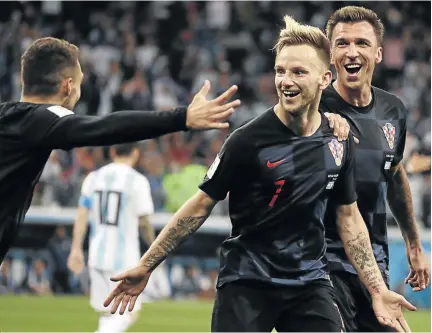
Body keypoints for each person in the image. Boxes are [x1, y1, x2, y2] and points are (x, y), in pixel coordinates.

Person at [103, 16, 415, 332]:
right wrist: (146, 265)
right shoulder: (247, 141)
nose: (285, 81)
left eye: (298, 72)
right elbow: (199, 206)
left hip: (309, 283)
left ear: (323, 79)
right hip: (247, 281)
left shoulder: (338, 139)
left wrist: (377, 291)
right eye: (280, 71)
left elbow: (349, 217)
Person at [0, 36, 241, 264]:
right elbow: (106, 127)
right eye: (80, 83)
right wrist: (182, 117)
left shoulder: (9, 115)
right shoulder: (43, 119)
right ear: (67, 86)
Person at [320, 6, 430, 332]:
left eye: (362, 43)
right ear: (330, 53)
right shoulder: (311, 110)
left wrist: (413, 244)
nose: (352, 51)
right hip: (321, 264)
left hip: (373, 264)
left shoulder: (392, 110)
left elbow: (395, 177)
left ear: (379, 53)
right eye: (342, 43)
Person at [67, 143, 159, 332]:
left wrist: (76, 248)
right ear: (135, 153)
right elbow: (144, 221)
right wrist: (154, 247)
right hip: (125, 260)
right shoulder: (137, 181)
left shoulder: (93, 178)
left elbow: (82, 214)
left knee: (107, 312)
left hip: (96, 257)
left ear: (112, 152)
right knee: (127, 313)